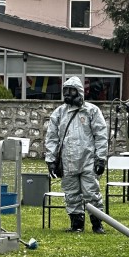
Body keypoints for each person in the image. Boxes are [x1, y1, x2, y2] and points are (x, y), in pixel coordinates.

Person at [43, 76, 108, 233]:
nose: (68, 94)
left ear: (79, 91)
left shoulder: (91, 111)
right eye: (65, 91)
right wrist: (51, 160)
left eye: (71, 91)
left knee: (91, 192)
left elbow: (101, 135)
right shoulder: (59, 113)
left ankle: (97, 223)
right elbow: (52, 138)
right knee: (71, 193)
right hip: (68, 160)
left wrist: (100, 159)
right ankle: (76, 224)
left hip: (88, 160)